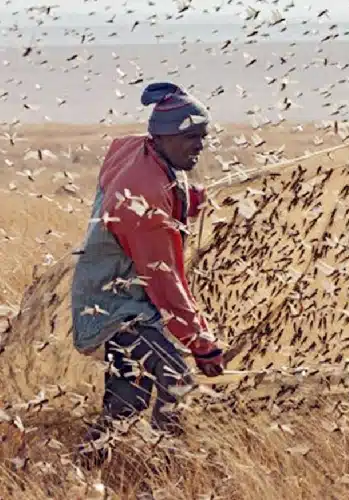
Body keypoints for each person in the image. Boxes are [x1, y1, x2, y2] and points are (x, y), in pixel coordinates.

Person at [71, 82, 225, 461]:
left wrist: (191, 197)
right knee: (175, 377)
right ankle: (167, 467)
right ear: (164, 137)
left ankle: (84, 467)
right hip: (116, 307)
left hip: (118, 298)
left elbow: (164, 183)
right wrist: (202, 344)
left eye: (203, 136)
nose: (200, 146)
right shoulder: (142, 198)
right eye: (191, 137)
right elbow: (165, 281)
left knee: (127, 403)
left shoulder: (142, 151)